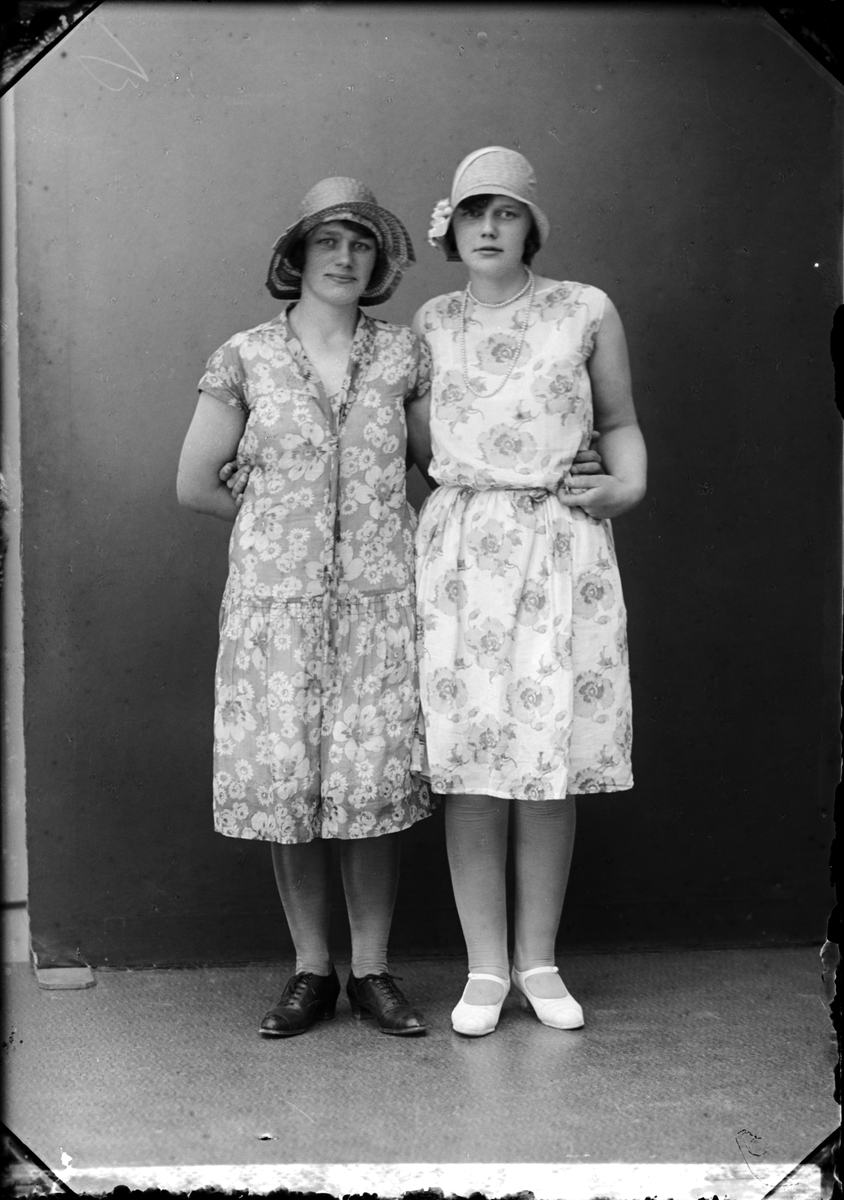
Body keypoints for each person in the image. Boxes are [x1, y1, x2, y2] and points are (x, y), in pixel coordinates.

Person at [177, 177, 437, 1038]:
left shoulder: (403, 356)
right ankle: (311, 971)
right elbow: (195, 483)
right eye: (328, 241)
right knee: (289, 786)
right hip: (275, 611)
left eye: (361, 244)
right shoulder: (245, 356)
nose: (344, 257)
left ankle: (374, 971)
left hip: (378, 606)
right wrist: (281, 525)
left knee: (370, 787)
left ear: (378, 263)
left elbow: (438, 468)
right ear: (297, 255)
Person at [405, 146, 647, 1036]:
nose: (489, 228)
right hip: (464, 557)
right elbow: (414, 447)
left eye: (505, 212)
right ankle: (484, 968)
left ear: (530, 226)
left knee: (547, 768)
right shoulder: (431, 321)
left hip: (559, 548)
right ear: (452, 228)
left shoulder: (585, 309)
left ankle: (539, 962)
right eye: (473, 212)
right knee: (473, 767)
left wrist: (625, 486)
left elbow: (619, 424)